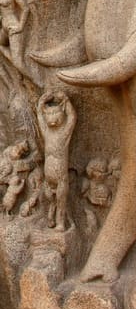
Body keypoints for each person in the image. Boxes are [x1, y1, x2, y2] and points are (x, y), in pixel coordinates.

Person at [36, 91, 77, 231]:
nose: (52, 117)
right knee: (49, 198)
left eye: (56, 113)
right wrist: (41, 102)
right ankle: (50, 218)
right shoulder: (47, 133)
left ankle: (60, 222)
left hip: (60, 178)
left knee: (60, 200)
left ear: (62, 114)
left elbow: (72, 117)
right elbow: (40, 116)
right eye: (50, 114)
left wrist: (66, 99)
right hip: (48, 177)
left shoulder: (64, 133)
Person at [0, 0, 28, 72]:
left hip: (13, 26)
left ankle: (37, 82)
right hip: (4, 28)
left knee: (18, 62)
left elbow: (25, 8)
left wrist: (20, 27)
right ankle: (18, 76)